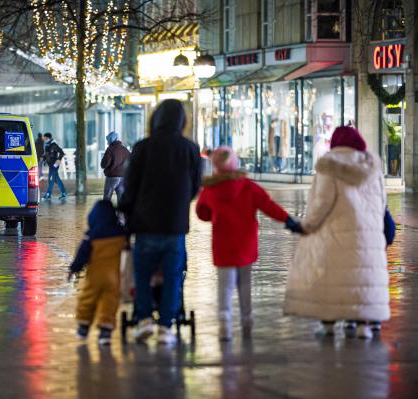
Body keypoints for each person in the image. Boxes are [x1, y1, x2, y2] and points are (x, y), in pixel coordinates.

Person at [284, 126, 389, 340]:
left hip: (335, 235)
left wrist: (306, 226)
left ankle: (329, 324)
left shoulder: (329, 166)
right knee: (363, 278)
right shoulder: (372, 167)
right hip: (367, 236)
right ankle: (363, 326)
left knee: (333, 278)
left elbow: (321, 203)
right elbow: (382, 203)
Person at [195, 146, 302, 341]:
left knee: (224, 285)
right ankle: (246, 319)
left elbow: (201, 213)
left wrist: (213, 215)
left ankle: (224, 323)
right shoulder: (248, 186)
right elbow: (269, 206)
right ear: (235, 163)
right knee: (245, 284)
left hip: (222, 244)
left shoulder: (210, 189)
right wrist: (288, 220)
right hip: (245, 243)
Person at [119, 99, 202, 346]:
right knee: (173, 275)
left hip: (145, 224)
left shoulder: (143, 147)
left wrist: (125, 209)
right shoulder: (190, 149)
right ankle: (166, 325)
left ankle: (144, 318)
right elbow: (195, 186)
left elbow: (130, 186)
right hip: (174, 225)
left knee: (142, 274)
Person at [69, 200, 127, 346]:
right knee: (110, 301)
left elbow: (82, 254)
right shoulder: (121, 234)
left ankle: (83, 327)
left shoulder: (91, 235)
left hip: (94, 276)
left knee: (88, 299)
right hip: (114, 276)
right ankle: (105, 331)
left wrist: (74, 269)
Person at [100, 131, 130, 204]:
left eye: (108, 140)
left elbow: (104, 164)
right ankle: (121, 215)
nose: (107, 142)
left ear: (110, 140)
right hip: (123, 177)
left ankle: (106, 214)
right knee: (121, 199)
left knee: (107, 198)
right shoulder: (125, 150)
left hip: (112, 177)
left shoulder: (110, 149)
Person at [42, 132, 67, 200]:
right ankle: (64, 193)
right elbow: (47, 154)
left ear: (47, 138)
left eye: (44, 138)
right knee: (56, 179)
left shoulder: (53, 144)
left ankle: (48, 195)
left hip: (54, 165)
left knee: (51, 180)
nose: (43, 139)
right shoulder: (47, 144)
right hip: (51, 165)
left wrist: (58, 160)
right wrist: (44, 159)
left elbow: (61, 152)